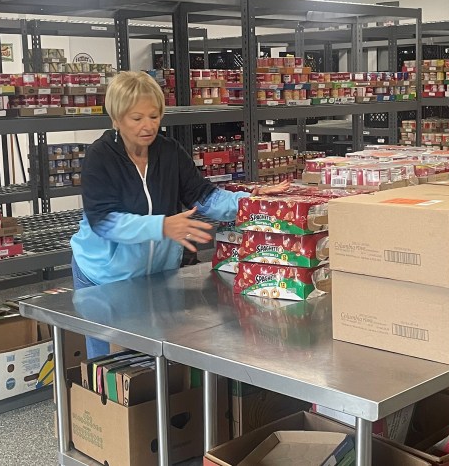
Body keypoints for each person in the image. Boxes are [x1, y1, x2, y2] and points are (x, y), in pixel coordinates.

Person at [70, 71, 289, 357]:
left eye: (154, 116)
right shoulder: (100, 156)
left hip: (155, 273)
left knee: (151, 355)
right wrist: (161, 226)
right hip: (102, 274)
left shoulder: (169, 151)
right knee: (107, 364)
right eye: (137, 118)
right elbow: (104, 222)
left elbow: (204, 196)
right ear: (116, 119)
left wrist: (251, 201)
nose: (148, 126)